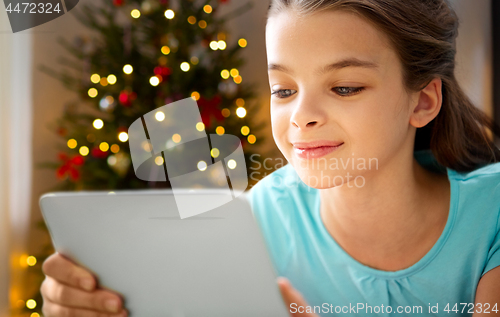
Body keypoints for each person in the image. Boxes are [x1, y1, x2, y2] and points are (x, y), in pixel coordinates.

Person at [40, 0, 500, 316]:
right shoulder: (255, 221)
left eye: (344, 87)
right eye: (284, 90)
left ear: (422, 101)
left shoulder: (492, 215)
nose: (301, 117)